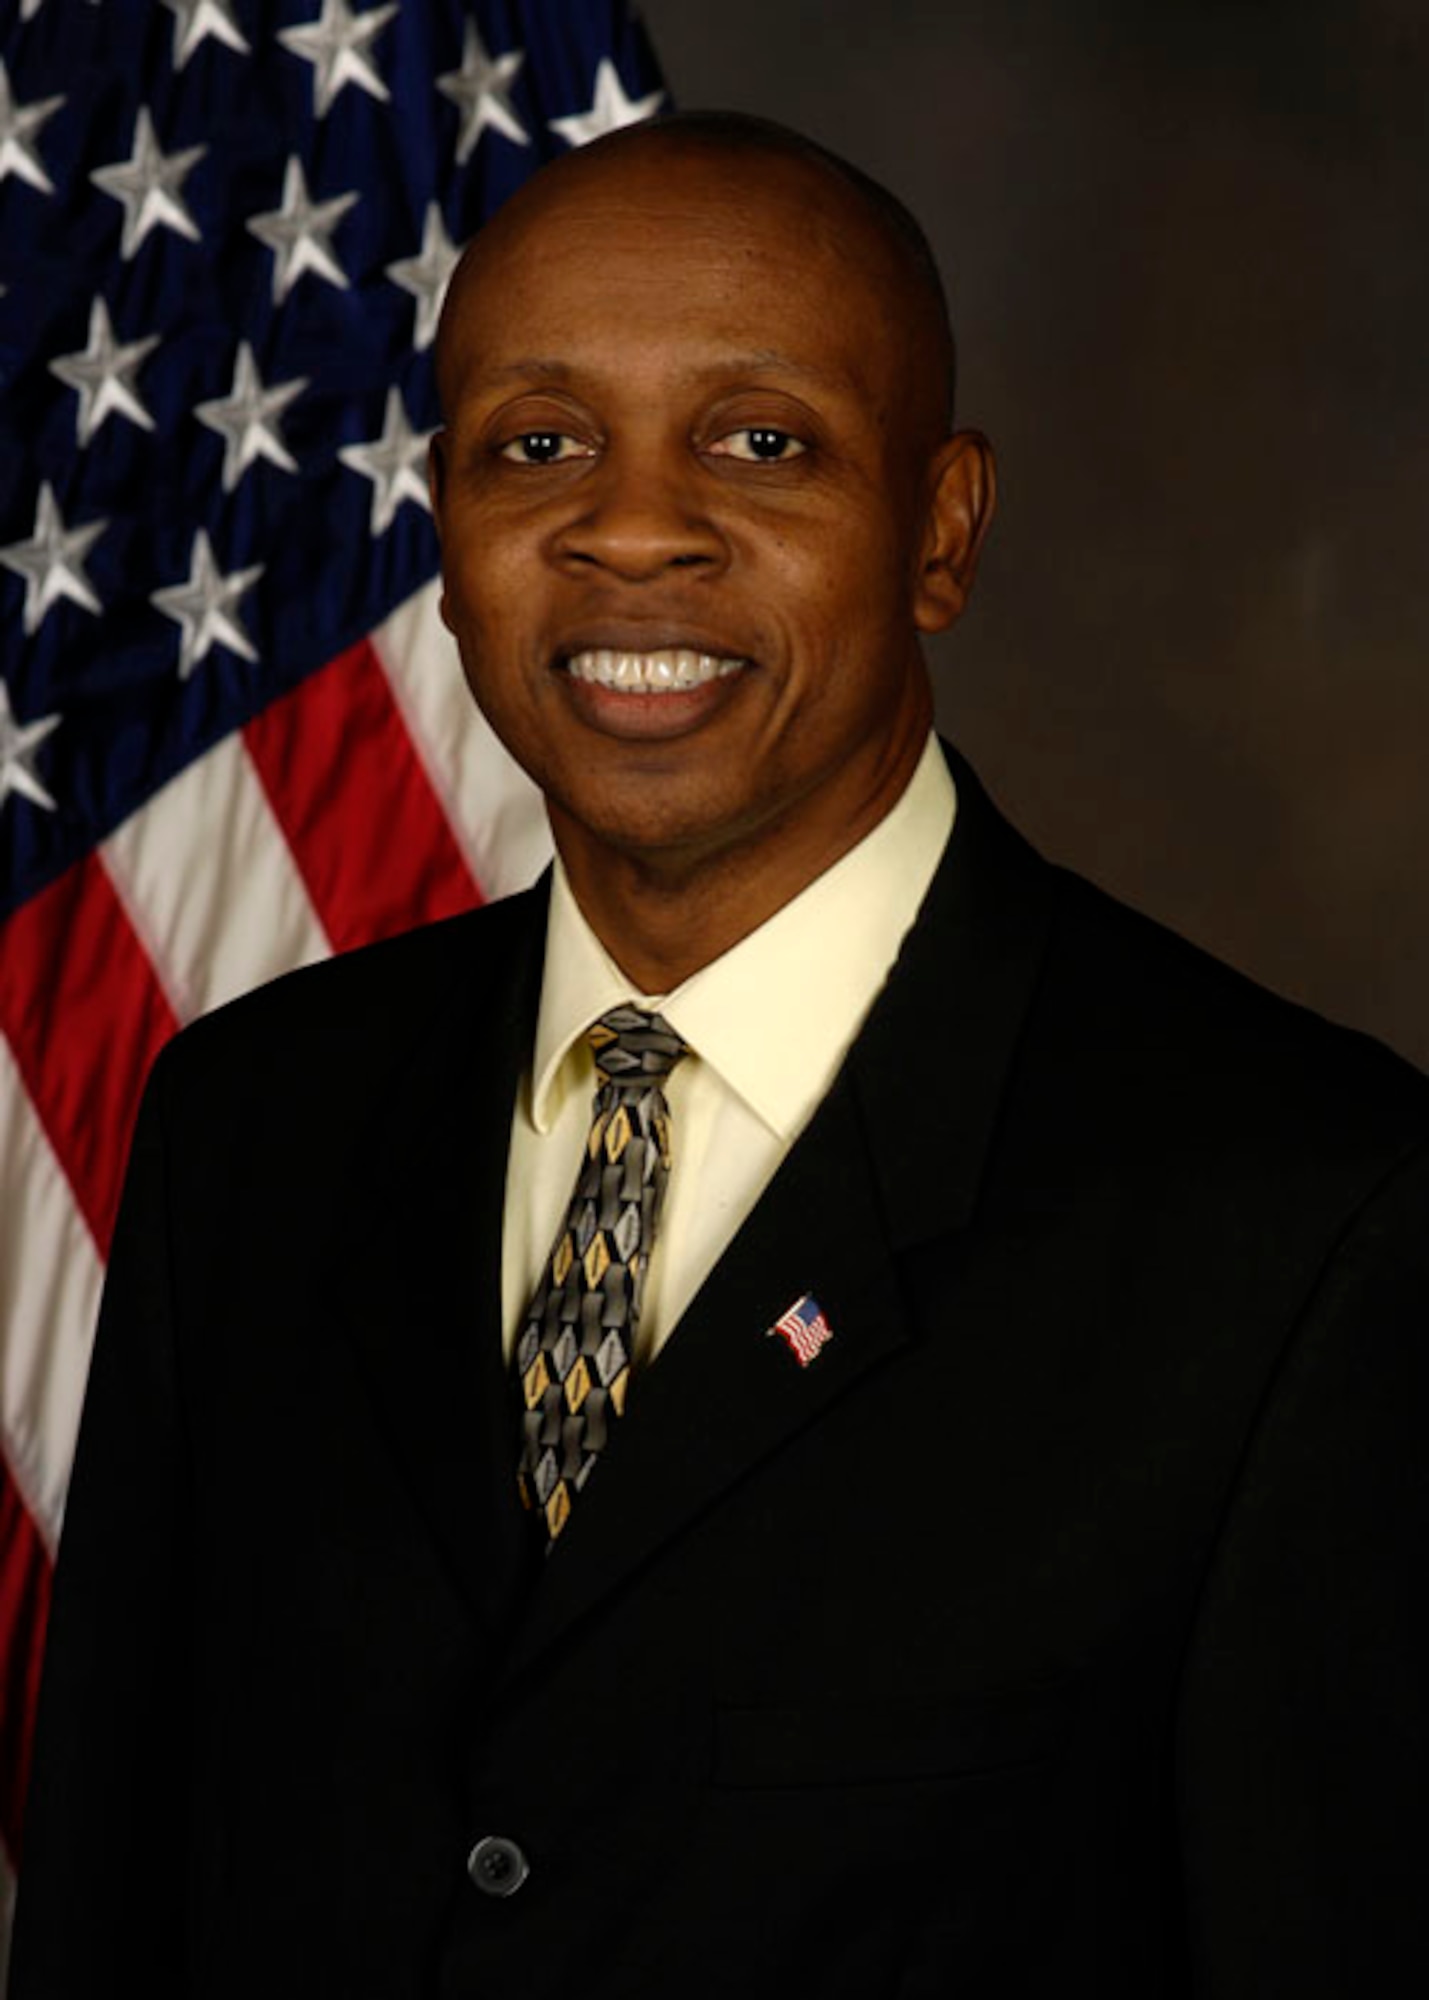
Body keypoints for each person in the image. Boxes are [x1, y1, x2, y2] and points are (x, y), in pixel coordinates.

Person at [11, 112, 1428, 1999]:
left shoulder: (1304, 1218)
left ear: (942, 529)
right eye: (540, 444)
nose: (630, 524)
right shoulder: (252, 1121)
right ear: (447, 532)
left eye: (759, 443)